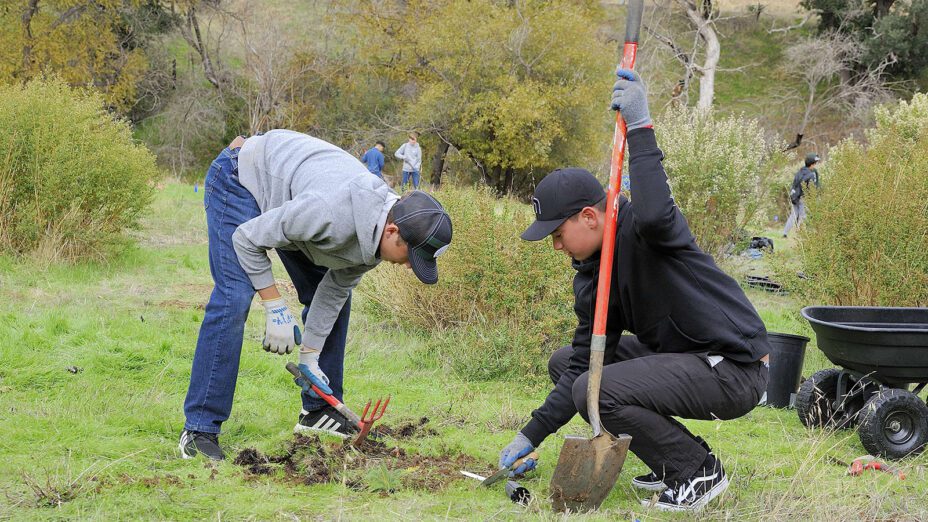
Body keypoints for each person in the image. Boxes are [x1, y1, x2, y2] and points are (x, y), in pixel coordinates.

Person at [497, 70, 770, 512]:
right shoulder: (591, 273)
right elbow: (586, 357)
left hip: (733, 369)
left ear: (589, 216)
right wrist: (531, 433)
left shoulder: (646, 231)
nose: (555, 244)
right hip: (686, 361)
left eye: (558, 232)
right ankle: (665, 458)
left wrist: (640, 126)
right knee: (569, 366)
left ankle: (695, 471)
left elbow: (658, 213)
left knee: (596, 389)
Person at [179, 130, 453, 461]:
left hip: (294, 206)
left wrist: (309, 354)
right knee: (235, 296)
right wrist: (275, 305)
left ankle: (319, 411)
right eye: (412, 257)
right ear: (393, 232)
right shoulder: (329, 212)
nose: (410, 267)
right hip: (243, 179)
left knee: (337, 302)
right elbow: (247, 239)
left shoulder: (378, 236)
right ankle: (199, 429)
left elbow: (334, 291)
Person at [782, 153, 821, 237]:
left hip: (795, 197)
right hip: (803, 198)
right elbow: (811, 188)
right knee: (803, 217)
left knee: (793, 215)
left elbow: (794, 184)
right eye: (815, 163)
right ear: (812, 164)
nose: (816, 164)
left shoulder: (799, 171)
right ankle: (799, 236)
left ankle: (784, 233)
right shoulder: (811, 174)